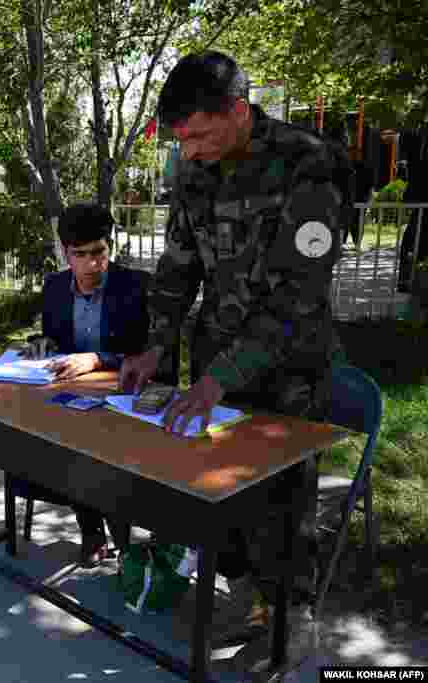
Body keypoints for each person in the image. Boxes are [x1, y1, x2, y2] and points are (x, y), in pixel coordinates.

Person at [119, 51, 352, 636]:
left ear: (239, 111)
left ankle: (290, 623)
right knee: (219, 490)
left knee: (283, 500)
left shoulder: (308, 163)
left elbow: (299, 295)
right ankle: (246, 598)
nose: (189, 150)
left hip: (289, 371)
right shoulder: (194, 171)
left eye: (199, 135)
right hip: (215, 368)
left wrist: (221, 375)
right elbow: (177, 269)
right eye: (181, 139)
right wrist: (156, 345)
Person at [11, 202, 149, 564]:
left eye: (99, 252)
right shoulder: (55, 287)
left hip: (123, 401)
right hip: (71, 400)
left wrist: (98, 359)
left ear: (110, 246)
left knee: (105, 455)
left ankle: (125, 545)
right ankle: (92, 532)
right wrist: (42, 345)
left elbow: (148, 354)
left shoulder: (135, 287)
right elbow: (54, 339)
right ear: (65, 253)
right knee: (61, 446)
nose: (92, 264)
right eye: (80, 254)